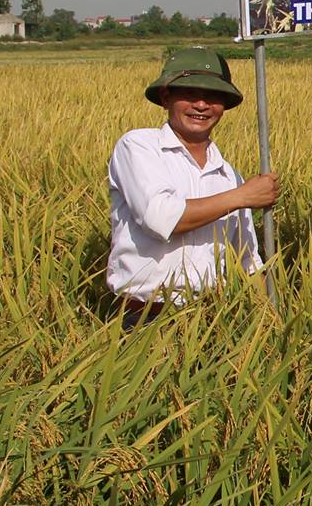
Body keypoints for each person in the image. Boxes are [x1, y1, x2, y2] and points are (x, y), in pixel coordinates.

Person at [107, 46, 279, 328]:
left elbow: (247, 260)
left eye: (213, 97)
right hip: (144, 319)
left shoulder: (229, 175)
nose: (201, 105)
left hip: (213, 318)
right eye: (189, 94)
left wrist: (267, 325)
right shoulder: (138, 146)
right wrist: (243, 196)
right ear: (166, 98)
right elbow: (161, 218)